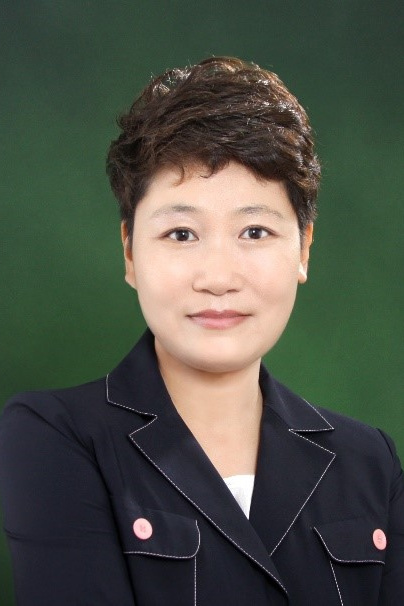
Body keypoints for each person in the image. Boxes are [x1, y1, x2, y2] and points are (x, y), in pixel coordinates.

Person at [0, 57, 403, 606]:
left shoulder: (370, 462)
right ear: (130, 252)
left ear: (304, 249)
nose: (217, 278)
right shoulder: (56, 437)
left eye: (255, 231)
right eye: (181, 233)